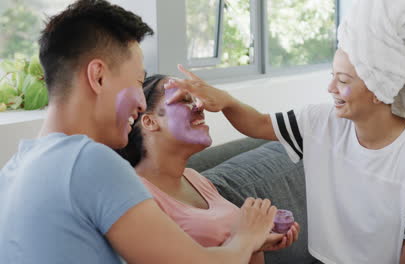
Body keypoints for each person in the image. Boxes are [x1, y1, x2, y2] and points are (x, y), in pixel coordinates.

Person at [163, 0, 405, 263]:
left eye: (343, 81)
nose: (331, 88)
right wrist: (226, 100)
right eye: (332, 76)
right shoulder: (322, 123)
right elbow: (257, 123)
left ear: (379, 89)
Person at [0, 1, 278, 263]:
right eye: (138, 81)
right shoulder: (90, 162)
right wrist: (248, 236)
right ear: (98, 76)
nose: (142, 102)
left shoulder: (13, 170)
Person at [116, 75, 301, 264]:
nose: (199, 106)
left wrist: (258, 241)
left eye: (196, 99)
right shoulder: (137, 196)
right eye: (184, 100)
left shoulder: (195, 179)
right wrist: (247, 238)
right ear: (150, 122)